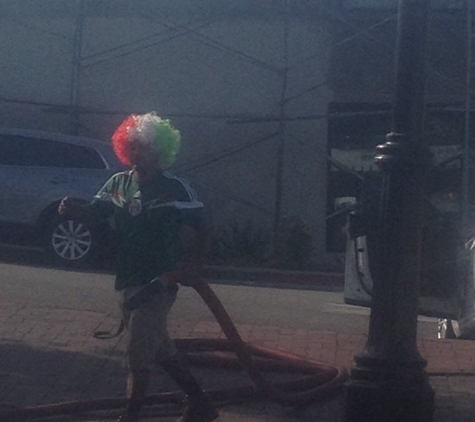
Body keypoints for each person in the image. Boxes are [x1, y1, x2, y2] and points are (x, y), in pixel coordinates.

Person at [58, 112, 218, 422]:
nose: (137, 153)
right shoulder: (119, 183)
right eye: (133, 147)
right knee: (159, 349)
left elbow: (204, 226)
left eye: (144, 147)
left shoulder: (174, 187)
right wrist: (74, 209)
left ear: (161, 151)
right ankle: (202, 404)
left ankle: (130, 416)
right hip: (128, 279)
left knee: (137, 354)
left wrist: (194, 266)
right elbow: (96, 213)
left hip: (159, 282)